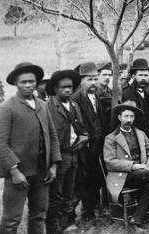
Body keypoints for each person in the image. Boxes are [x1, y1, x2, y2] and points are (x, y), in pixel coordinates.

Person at [0, 62, 61, 234]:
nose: (28, 85)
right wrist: (14, 171)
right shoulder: (6, 108)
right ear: (16, 83)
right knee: (11, 220)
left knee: (39, 216)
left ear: (37, 82)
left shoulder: (43, 106)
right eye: (24, 82)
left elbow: (52, 137)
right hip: (19, 174)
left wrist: (53, 165)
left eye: (32, 81)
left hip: (42, 173)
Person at [45, 69, 88, 234]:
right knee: (56, 193)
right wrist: (53, 161)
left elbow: (82, 129)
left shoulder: (74, 105)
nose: (68, 90)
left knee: (70, 190)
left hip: (74, 154)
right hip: (58, 156)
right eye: (63, 87)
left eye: (70, 87)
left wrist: (84, 137)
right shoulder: (48, 107)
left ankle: (69, 222)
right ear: (55, 89)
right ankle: (53, 227)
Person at [72, 61, 105, 227]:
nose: (93, 83)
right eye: (89, 79)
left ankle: (95, 209)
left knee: (96, 178)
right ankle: (86, 213)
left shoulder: (97, 95)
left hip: (98, 145)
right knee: (85, 180)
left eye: (95, 79)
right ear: (81, 80)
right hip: (85, 147)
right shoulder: (76, 98)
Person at [122, 59, 149, 135]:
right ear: (134, 76)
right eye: (140, 75)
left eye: (146, 75)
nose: (143, 78)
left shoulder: (148, 91)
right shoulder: (128, 93)